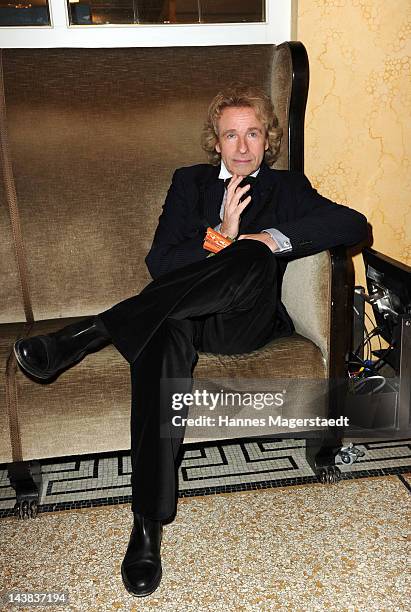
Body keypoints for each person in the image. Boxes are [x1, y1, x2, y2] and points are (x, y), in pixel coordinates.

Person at [13, 84, 367, 598]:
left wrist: (269, 238)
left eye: (252, 134)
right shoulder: (189, 184)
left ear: (268, 141)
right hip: (184, 315)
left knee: (252, 255)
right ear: (216, 142)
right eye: (230, 135)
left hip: (246, 320)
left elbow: (352, 222)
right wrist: (218, 233)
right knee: (161, 337)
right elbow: (161, 263)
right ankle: (146, 525)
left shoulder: (289, 188)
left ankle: (91, 332)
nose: (242, 147)